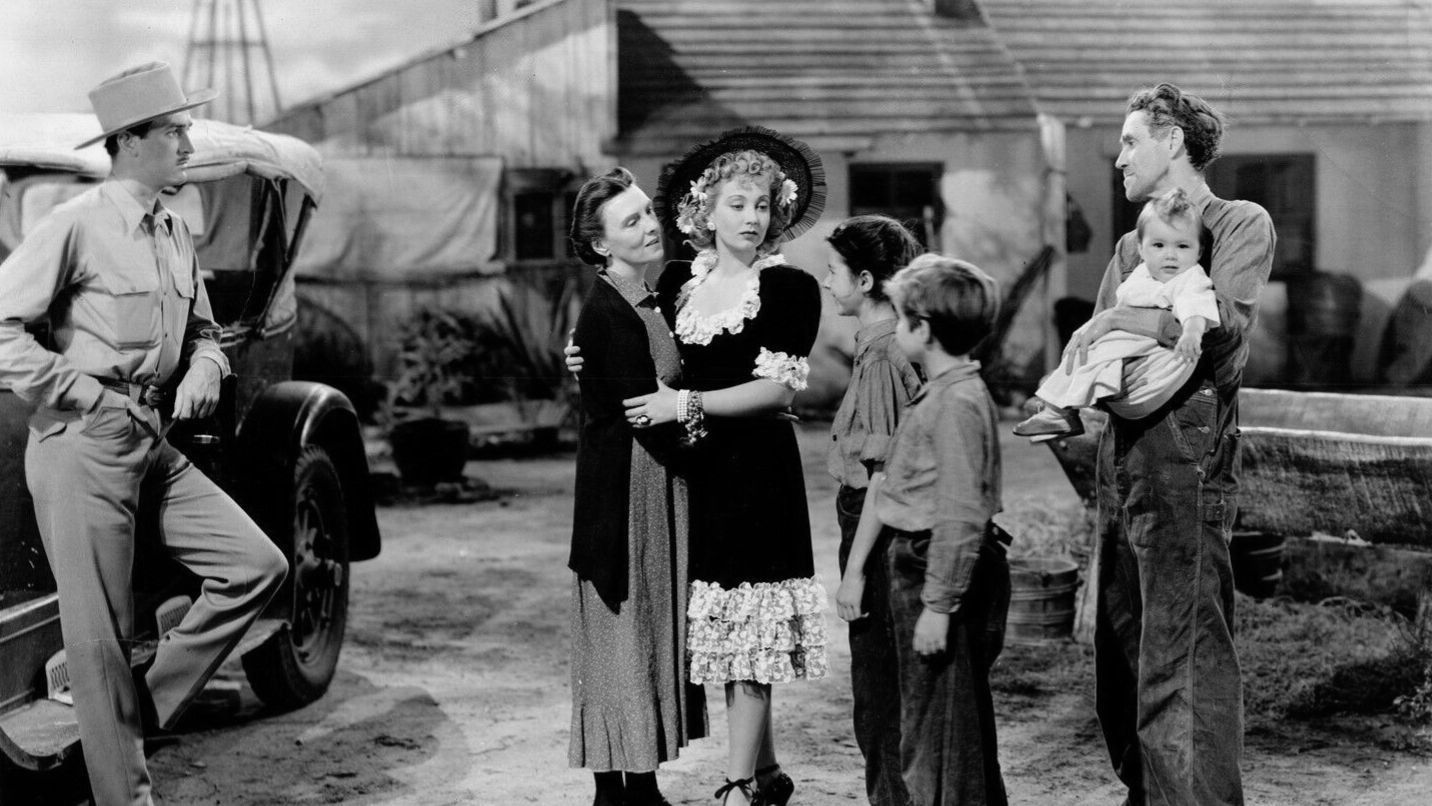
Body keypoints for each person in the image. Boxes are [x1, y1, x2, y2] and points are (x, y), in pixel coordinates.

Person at [0, 62, 288, 805]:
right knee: (100, 643)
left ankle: (130, 714)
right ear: (130, 141)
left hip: (151, 440)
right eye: (174, 131)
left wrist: (207, 366)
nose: (187, 144)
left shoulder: (173, 229)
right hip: (82, 446)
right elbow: (1, 331)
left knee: (257, 567)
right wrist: (87, 395)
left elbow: (204, 333)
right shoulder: (75, 226)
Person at [1064, 83, 1276, 806]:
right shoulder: (1131, 245)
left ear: (1173, 141)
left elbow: (1221, 336)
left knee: (1182, 654)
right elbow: (1094, 351)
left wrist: (1125, 324)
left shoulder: (1238, 222)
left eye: (1130, 142)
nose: (1119, 159)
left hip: (1187, 453)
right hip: (1123, 454)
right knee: (1123, 652)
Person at [619, 126, 828, 806]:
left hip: (757, 476)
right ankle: (765, 772)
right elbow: (647, 353)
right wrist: (584, 355)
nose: (751, 218)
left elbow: (778, 391)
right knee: (722, 632)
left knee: (749, 638)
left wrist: (685, 404)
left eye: (762, 205)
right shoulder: (679, 281)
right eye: (736, 204)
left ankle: (739, 786)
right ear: (704, 211)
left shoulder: (789, 288)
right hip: (697, 474)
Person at [844, 254, 1010, 806]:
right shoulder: (948, 390)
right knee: (948, 727)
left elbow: (961, 511)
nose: (895, 325)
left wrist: (938, 605)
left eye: (900, 316)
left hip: (936, 567)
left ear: (922, 329)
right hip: (927, 564)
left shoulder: (955, 401)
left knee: (939, 740)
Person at [566, 167, 706, 806]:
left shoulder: (648, 297)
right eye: (632, 220)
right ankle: (614, 789)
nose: (650, 225)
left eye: (648, 211)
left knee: (639, 627)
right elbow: (639, 414)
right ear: (601, 245)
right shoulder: (608, 311)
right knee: (621, 627)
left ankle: (638, 785)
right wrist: (717, 440)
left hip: (648, 484)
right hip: (628, 491)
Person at [825, 215, 923, 806]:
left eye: (833, 271)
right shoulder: (880, 345)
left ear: (864, 281)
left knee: (880, 691)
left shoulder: (884, 353)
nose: (826, 281)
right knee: (883, 687)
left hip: (876, 528)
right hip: (871, 519)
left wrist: (855, 572)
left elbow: (884, 477)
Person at [1013, 188, 1219, 441]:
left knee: (1097, 357)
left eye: (1183, 246)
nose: (1170, 255)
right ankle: (1059, 410)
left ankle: (1059, 410)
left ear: (1199, 252)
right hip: (1129, 341)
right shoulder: (1142, 273)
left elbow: (1195, 306)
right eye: (1158, 245)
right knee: (1085, 352)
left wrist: (1191, 333)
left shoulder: (1189, 277)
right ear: (1141, 249)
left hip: (1156, 352)